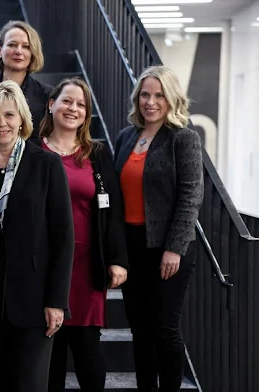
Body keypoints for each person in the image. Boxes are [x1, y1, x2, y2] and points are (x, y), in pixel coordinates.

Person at [0, 80, 75, 392]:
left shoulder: (46, 165)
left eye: (9, 115)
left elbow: (63, 237)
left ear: (22, 118)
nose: (2, 123)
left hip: (34, 304)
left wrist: (56, 301)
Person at [114, 65, 204, 391]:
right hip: (132, 244)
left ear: (171, 99)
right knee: (140, 328)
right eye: (145, 95)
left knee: (165, 328)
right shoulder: (127, 137)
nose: (150, 102)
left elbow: (191, 195)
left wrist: (174, 248)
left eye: (159, 95)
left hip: (167, 247)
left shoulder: (183, 138)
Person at [39, 78, 129, 392]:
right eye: (67, 101)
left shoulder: (98, 153)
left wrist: (117, 259)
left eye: (81, 105)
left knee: (87, 347)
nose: (73, 108)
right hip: (45, 266)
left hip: (87, 266)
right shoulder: (32, 150)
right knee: (50, 350)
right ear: (52, 104)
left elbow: (113, 211)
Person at [0, 20, 52, 146]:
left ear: (32, 53)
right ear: (0, 51)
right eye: (12, 45)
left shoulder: (46, 94)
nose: (18, 51)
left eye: (26, 46)